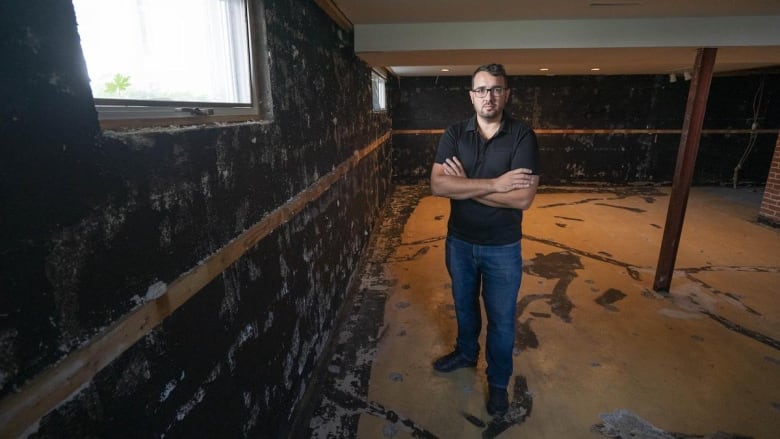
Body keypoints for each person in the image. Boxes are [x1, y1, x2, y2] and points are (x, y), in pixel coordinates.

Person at [429, 63, 540, 416]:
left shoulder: (522, 136)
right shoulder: (454, 133)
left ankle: (497, 384)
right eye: (481, 90)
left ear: (506, 94)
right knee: (464, 306)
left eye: (495, 89)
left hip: (502, 247)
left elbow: (522, 198)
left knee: (502, 319)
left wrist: (465, 187)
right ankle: (465, 354)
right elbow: (437, 185)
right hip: (459, 242)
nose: (488, 96)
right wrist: (494, 184)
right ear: (471, 96)